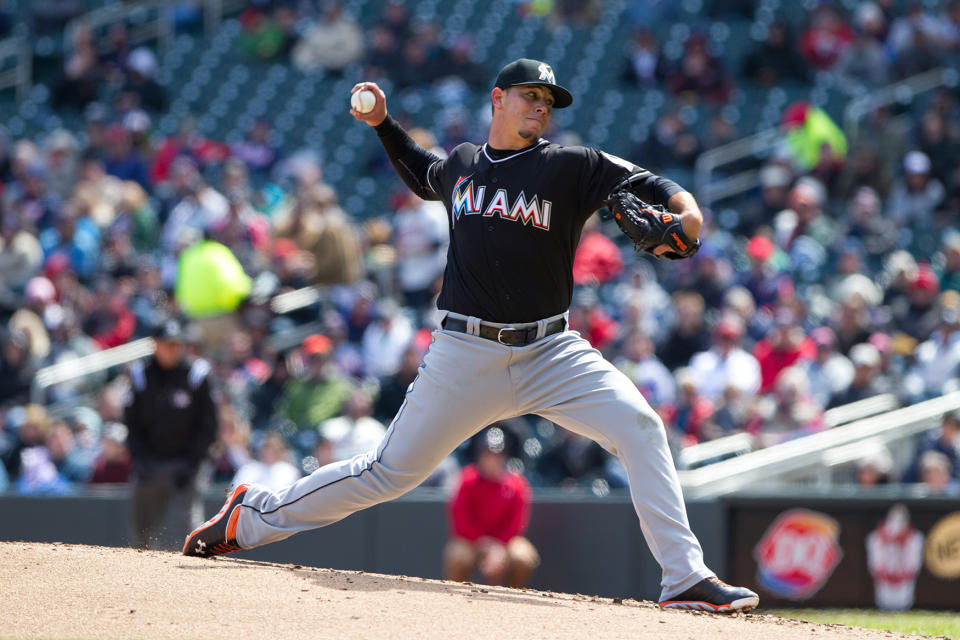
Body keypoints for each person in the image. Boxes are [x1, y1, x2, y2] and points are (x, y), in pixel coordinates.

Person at [183, 57, 758, 613]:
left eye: (548, 101)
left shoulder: (569, 165)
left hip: (550, 351)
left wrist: (687, 216)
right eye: (530, 95)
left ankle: (684, 576)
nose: (540, 107)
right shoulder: (462, 162)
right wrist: (384, 124)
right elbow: (424, 174)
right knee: (385, 474)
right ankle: (247, 519)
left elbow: (656, 184)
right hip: (465, 351)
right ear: (498, 99)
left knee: (641, 427)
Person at [127, 318, 218, 549]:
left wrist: (192, 463)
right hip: (150, 462)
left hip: (185, 464)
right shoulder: (141, 375)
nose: (172, 350)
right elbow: (131, 424)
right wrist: (140, 459)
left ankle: (188, 577)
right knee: (142, 532)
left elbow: (208, 426)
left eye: (177, 344)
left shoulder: (195, 376)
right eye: (167, 344)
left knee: (188, 532)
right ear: (155, 344)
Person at [444, 426, 539, 588]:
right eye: (488, 455)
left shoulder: (517, 483)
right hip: (473, 541)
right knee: (458, 555)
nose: (492, 460)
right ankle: (454, 597)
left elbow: (516, 524)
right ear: (480, 456)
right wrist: (485, 544)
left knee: (523, 556)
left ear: (504, 458)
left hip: (505, 542)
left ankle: (514, 599)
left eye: (497, 456)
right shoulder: (467, 479)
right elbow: (461, 522)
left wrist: (498, 547)